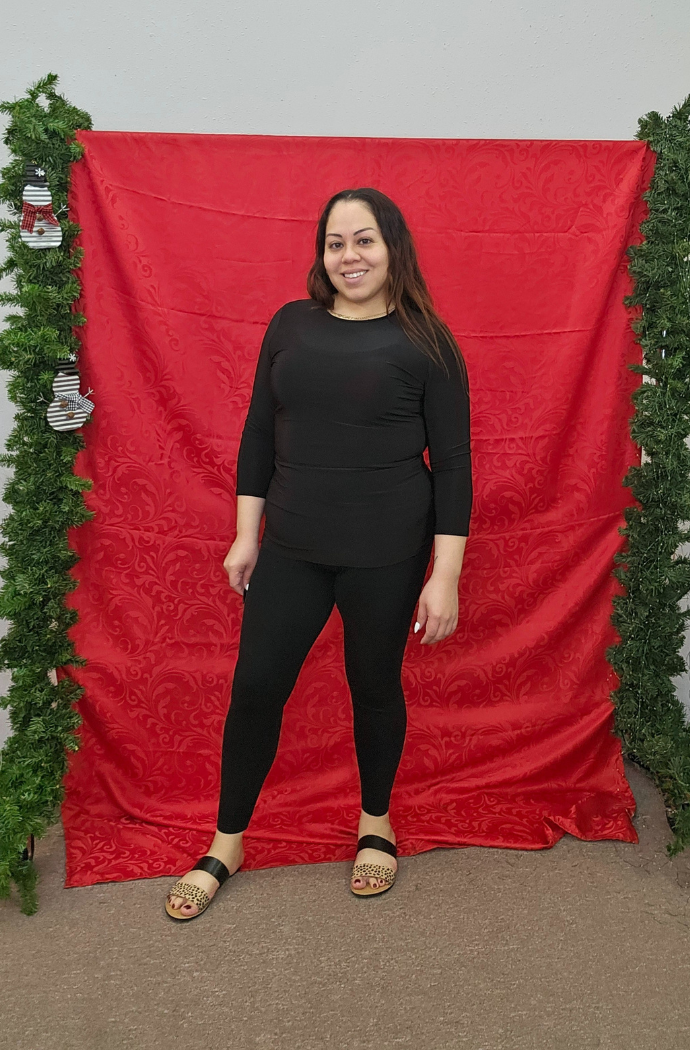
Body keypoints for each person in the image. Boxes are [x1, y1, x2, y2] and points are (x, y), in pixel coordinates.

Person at [165, 187, 473, 920]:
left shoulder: (426, 341)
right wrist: (247, 533)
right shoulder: (291, 325)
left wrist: (446, 575)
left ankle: (375, 825)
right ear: (322, 255)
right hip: (294, 545)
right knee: (256, 689)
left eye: (363, 240)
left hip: (387, 549)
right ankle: (227, 842)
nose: (349, 256)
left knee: (373, 685)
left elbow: (454, 466)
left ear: (393, 246)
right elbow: (258, 435)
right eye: (335, 243)